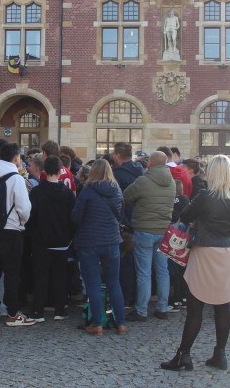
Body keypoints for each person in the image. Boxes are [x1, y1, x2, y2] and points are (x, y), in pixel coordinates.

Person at [160, 155, 230, 371]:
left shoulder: (205, 196)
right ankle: (220, 354)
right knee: (222, 306)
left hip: (206, 250)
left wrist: (198, 219)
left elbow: (185, 216)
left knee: (195, 305)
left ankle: (183, 355)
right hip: (228, 250)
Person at [71, 160, 127, 335]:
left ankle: (97, 324)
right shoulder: (117, 191)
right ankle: (121, 323)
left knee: (93, 284)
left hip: (89, 242)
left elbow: (76, 217)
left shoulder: (87, 191)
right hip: (112, 241)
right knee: (114, 283)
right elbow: (121, 214)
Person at [0, 142, 36, 326]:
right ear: (15, 158)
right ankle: (12, 313)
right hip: (12, 230)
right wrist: (22, 221)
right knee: (12, 273)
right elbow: (24, 208)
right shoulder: (15, 178)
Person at [123, 151, 179, 321]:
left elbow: (126, 196)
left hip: (144, 229)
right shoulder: (171, 183)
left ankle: (141, 310)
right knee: (162, 271)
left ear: (151, 163)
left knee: (144, 272)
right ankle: (162, 308)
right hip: (163, 230)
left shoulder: (144, 181)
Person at [27, 155, 77, 321]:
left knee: (41, 276)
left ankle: (38, 311)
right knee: (60, 276)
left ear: (44, 171)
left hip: (41, 241)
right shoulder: (68, 194)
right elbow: (73, 218)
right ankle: (59, 310)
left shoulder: (36, 192)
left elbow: (31, 217)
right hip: (62, 241)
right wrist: (70, 236)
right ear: (60, 170)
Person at [112, 142, 144, 307]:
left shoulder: (117, 174)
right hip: (138, 219)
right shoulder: (140, 171)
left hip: (123, 221)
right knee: (136, 262)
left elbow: (116, 199)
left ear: (117, 155)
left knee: (123, 260)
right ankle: (134, 295)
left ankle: (125, 296)